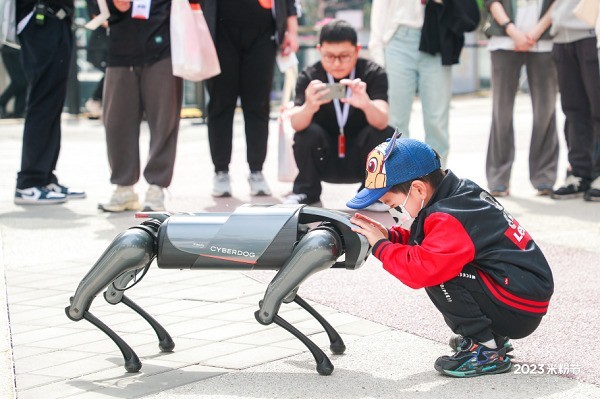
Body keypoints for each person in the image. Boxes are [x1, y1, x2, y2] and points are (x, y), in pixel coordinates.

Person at [346, 132, 554, 377]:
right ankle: (491, 337)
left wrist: (381, 247)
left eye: (391, 205)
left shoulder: (449, 216)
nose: (391, 212)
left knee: (436, 271)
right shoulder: (456, 194)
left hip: (517, 305)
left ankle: (486, 350)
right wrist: (391, 237)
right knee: (436, 261)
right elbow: (431, 240)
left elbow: (420, 270)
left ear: (418, 189)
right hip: (518, 291)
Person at [285, 19, 394, 210]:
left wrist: (366, 104)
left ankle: (372, 192)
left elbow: (382, 120)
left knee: (383, 133)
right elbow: (295, 123)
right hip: (325, 157)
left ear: (357, 50)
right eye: (329, 56)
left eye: (344, 56)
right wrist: (309, 106)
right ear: (319, 50)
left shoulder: (372, 73)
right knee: (306, 133)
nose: (336, 63)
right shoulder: (310, 76)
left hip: (360, 159)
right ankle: (306, 191)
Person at [200, 0, 300, 198]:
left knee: (258, 106)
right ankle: (221, 172)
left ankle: (256, 171)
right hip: (219, 32)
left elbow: (290, 3)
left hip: (263, 32)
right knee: (220, 104)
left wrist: (292, 31)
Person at [369, 0, 480, 167]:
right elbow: (381, 7)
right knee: (396, 120)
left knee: (436, 120)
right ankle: (399, 178)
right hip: (399, 38)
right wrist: (377, 54)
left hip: (436, 38)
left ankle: (437, 179)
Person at [98, 0, 183, 212]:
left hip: (163, 45)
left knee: (164, 120)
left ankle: (157, 186)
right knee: (116, 122)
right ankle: (124, 187)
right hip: (120, 46)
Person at [14, 0, 86, 205]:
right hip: (39, 18)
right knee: (42, 102)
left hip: (57, 19)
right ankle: (29, 182)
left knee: (53, 104)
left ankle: (44, 178)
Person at [484, 0, 559, 197]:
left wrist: (537, 31)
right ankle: (499, 178)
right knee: (502, 113)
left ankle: (544, 176)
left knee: (546, 111)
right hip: (503, 40)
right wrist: (513, 31)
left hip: (544, 40)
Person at [550, 0, 600, 201]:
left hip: (592, 33)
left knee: (598, 107)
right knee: (573, 110)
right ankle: (580, 172)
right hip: (562, 36)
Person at [84, 0, 108, 120]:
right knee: (111, 72)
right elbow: (97, 17)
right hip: (101, 45)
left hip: (110, 42)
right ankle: (95, 100)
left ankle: (97, 101)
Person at [0, 45, 27, 119]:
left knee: (25, 81)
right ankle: (1, 102)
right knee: (19, 81)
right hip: (11, 49)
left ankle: (19, 111)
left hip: (21, 50)